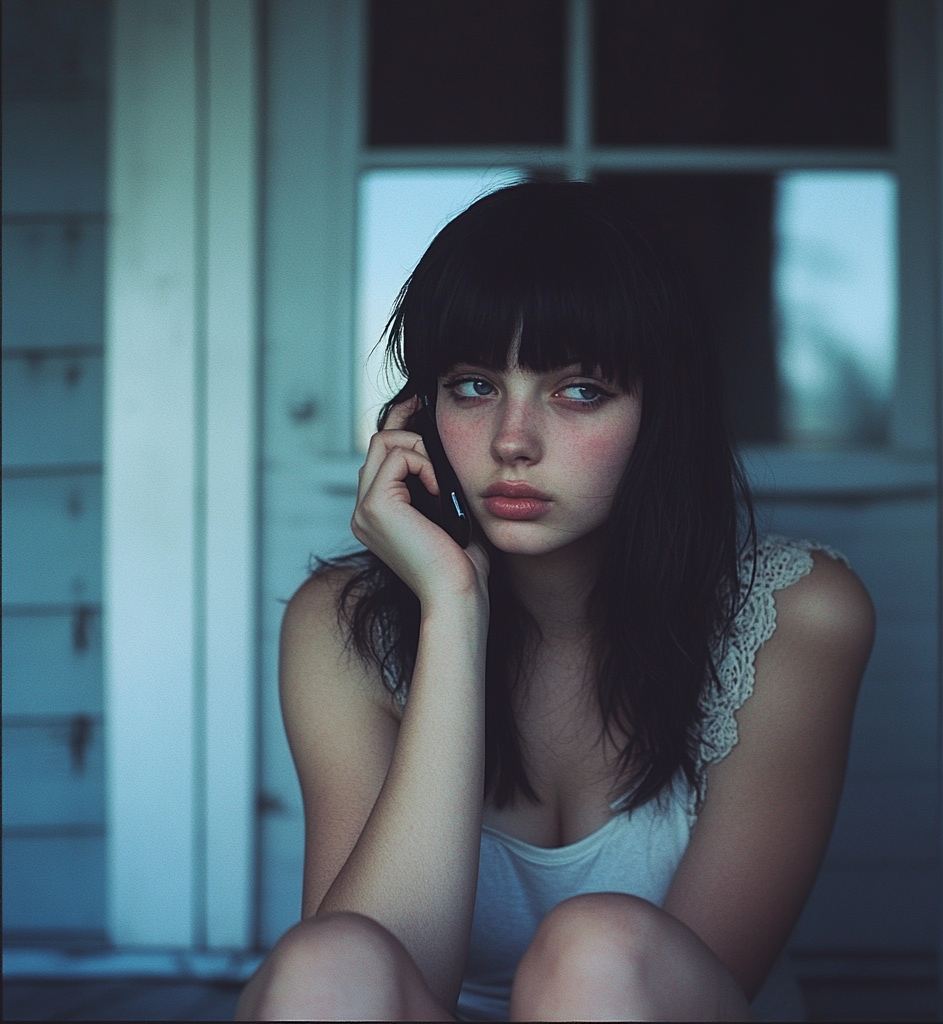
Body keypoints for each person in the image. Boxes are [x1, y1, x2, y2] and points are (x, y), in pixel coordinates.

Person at [236, 181, 874, 1022]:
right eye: (472, 386)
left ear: (662, 411)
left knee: (597, 953)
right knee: (326, 961)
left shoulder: (797, 617)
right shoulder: (339, 624)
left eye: (578, 391)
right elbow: (375, 978)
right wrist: (454, 606)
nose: (512, 442)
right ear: (415, 414)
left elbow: (672, 990)